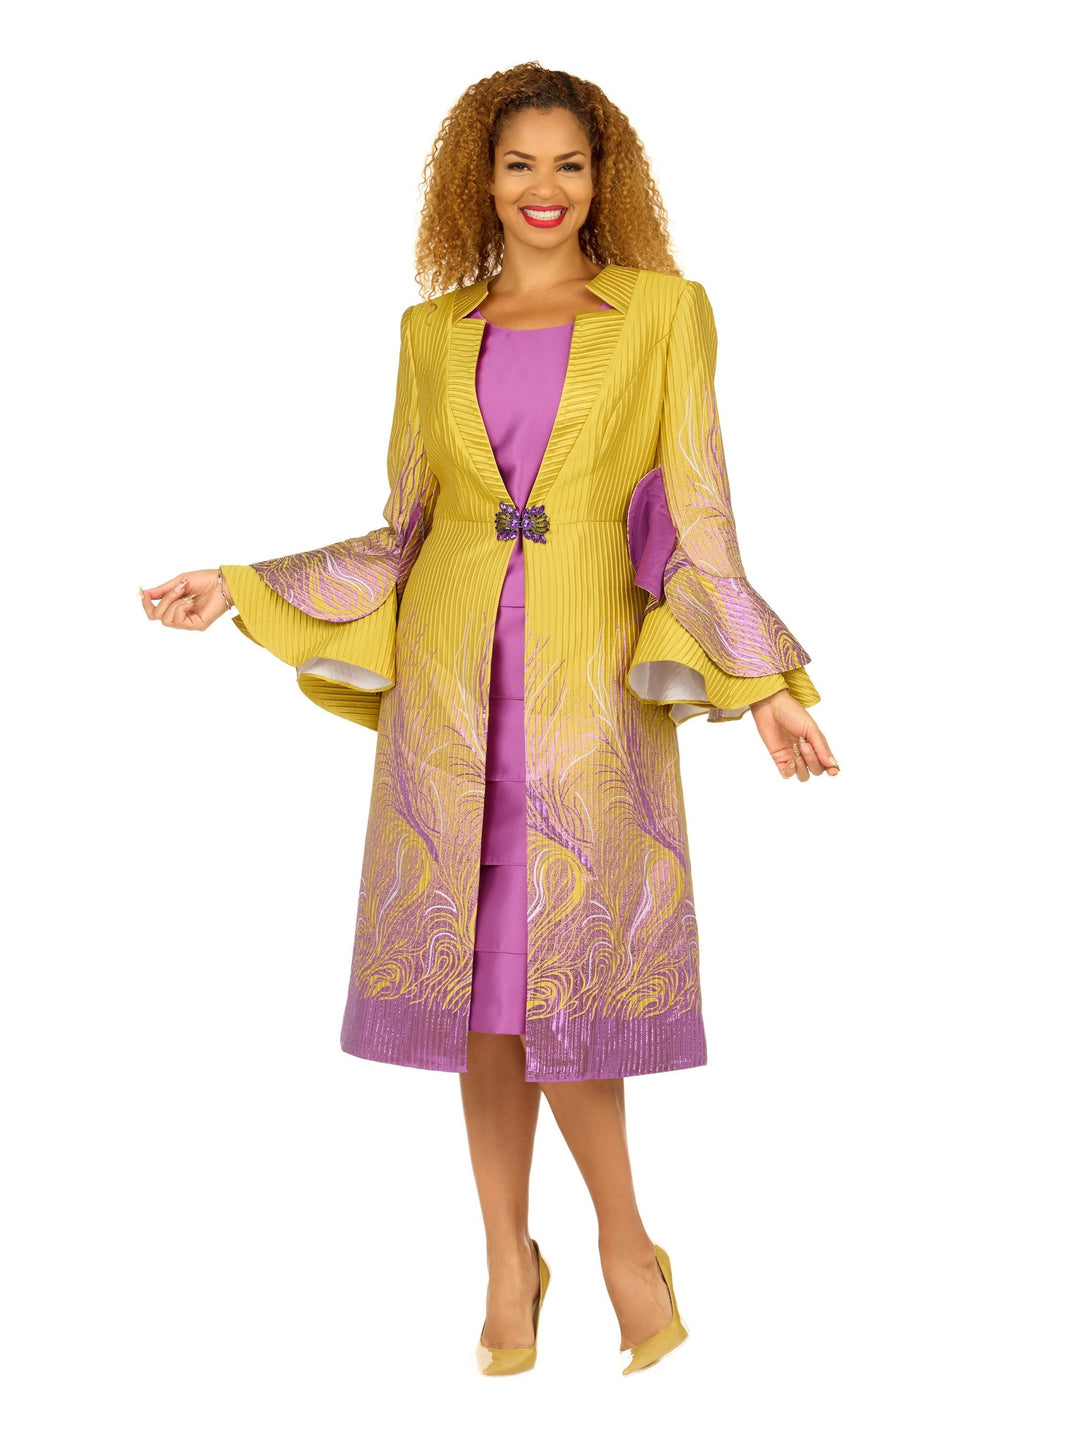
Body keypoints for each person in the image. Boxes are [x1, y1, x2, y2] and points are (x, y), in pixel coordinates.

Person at [141, 62, 840, 1377]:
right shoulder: (429, 333)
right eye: (519, 164)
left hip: (584, 693)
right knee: (479, 988)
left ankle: (625, 1246)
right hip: (454, 696)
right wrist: (239, 585)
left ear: (603, 177)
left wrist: (766, 689)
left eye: (569, 163)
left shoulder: (665, 314)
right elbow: (400, 532)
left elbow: (695, 520)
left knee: (566, 973)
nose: (544, 189)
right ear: (482, 178)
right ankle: (506, 1261)